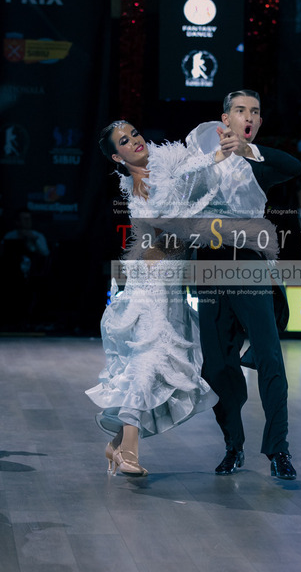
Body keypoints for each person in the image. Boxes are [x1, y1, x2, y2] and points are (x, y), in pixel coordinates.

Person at [86, 120, 235, 476]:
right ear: (117, 157)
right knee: (148, 358)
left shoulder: (167, 160)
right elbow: (167, 237)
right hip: (151, 283)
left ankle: (117, 445)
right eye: (124, 141)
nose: (135, 141)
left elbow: (194, 165)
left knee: (166, 368)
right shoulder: (137, 188)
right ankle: (129, 452)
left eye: (135, 133)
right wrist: (195, 228)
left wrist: (219, 151)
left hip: (173, 286)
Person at [191, 90, 301, 480]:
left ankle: (279, 450)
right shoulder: (201, 161)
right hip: (209, 268)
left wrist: (249, 151)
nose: (249, 117)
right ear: (225, 119)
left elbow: (295, 165)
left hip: (249, 266)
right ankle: (233, 445)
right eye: (241, 110)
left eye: (255, 111)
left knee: (270, 357)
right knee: (217, 366)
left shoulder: (259, 165)